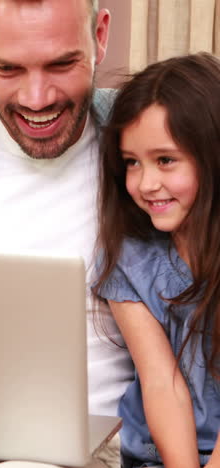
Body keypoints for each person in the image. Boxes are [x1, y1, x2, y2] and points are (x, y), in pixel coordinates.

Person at [0, 0, 134, 467]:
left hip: (128, 451)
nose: (37, 99)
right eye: (8, 68)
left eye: (61, 64)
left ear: (99, 35)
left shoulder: (155, 143)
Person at [94, 52, 220, 468]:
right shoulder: (129, 259)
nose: (146, 183)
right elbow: (162, 384)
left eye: (165, 160)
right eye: (132, 162)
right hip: (158, 455)